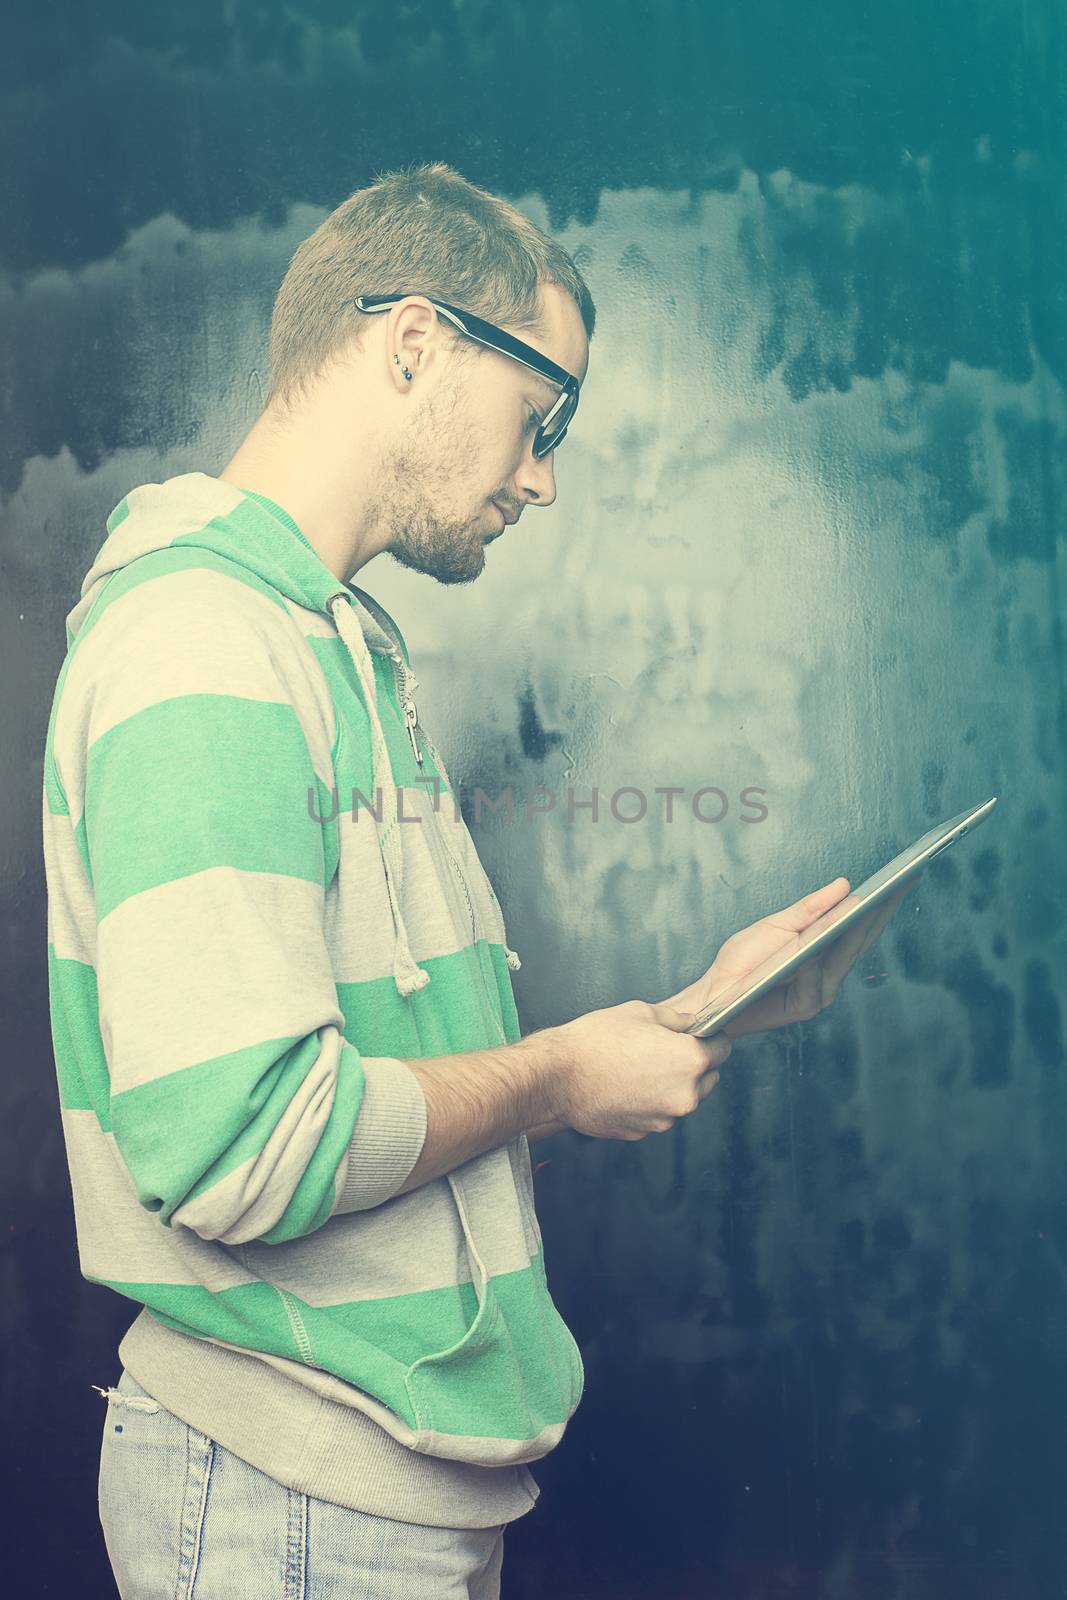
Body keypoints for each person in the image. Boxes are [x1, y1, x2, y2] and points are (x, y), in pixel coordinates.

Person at [41, 161, 913, 1598]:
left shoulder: (336, 646)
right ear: (413, 343)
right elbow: (239, 1147)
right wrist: (564, 1073)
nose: (543, 475)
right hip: (291, 1508)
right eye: (540, 414)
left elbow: (380, 1102)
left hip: (353, 1508)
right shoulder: (202, 641)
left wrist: (678, 1020)